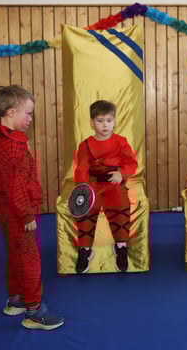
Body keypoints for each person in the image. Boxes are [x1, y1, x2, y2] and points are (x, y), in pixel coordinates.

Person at [0, 85, 64, 330]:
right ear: (11, 112)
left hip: (9, 210)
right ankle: (34, 311)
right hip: (17, 212)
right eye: (27, 113)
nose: (30, 118)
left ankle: (16, 299)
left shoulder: (4, 140)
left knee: (16, 254)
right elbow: (15, 185)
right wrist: (27, 214)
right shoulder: (11, 147)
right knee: (29, 259)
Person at [73, 100, 138, 274]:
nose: (105, 125)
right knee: (86, 208)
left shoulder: (121, 142)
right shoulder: (85, 145)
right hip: (93, 184)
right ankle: (85, 250)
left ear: (114, 122)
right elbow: (81, 168)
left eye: (109, 120)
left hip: (114, 183)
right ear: (92, 123)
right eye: (100, 121)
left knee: (120, 205)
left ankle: (121, 247)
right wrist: (82, 188)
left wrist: (121, 174)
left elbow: (131, 163)